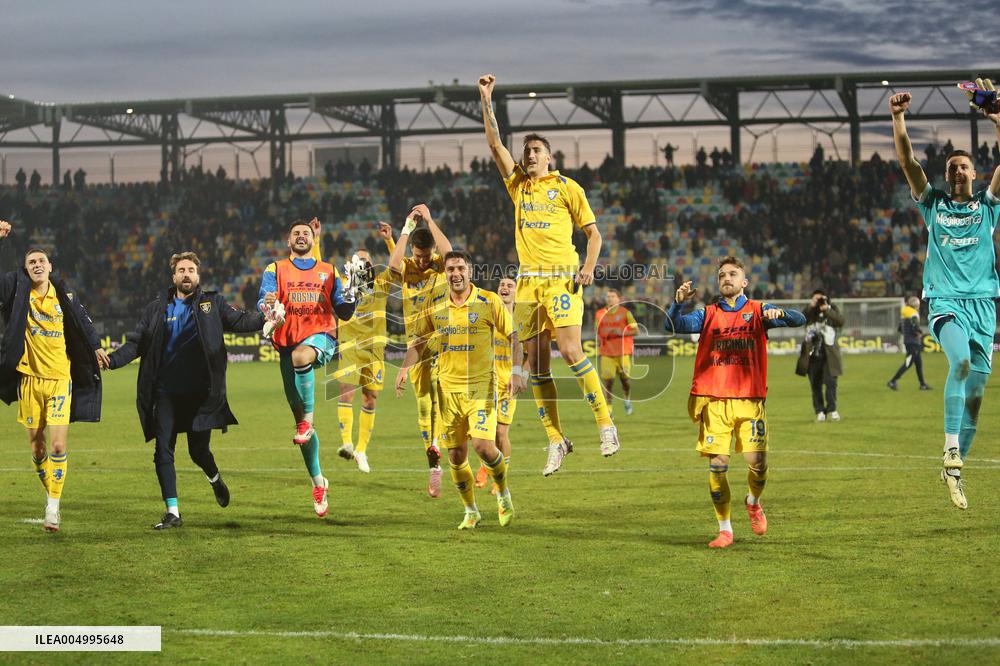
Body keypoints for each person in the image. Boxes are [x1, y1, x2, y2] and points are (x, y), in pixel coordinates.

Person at [479, 73, 618, 478]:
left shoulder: (568, 188)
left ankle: (606, 425)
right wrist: (486, 99)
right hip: (527, 283)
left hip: (561, 277)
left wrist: (589, 267)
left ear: (550, 157)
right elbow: (494, 143)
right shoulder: (518, 186)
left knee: (572, 352)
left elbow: (594, 235)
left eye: (537, 150)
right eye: (527, 150)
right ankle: (556, 439)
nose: (530, 155)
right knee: (538, 366)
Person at [890, 80, 1000, 509]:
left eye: (964, 167)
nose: (956, 171)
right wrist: (898, 118)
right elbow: (907, 161)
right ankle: (949, 448)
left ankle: (954, 469)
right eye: (951, 166)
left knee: (975, 398)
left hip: (984, 306)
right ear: (946, 175)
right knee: (961, 361)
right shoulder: (933, 203)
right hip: (947, 302)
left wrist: (996, 119)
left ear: (976, 174)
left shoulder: (988, 206)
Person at [106, 252, 265, 529]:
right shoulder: (156, 309)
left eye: (191, 269)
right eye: (181, 270)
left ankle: (214, 478)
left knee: (198, 452)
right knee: (163, 449)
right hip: (165, 392)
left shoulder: (212, 304)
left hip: (201, 394)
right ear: (174, 277)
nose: (187, 274)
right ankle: (173, 512)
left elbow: (241, 322)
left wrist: (266, 317)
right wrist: (112, 360)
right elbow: (136, 343)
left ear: (198, 275)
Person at [667, 256, 805, 548]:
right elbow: (674, 325)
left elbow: (800, 319)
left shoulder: (758, 310)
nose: (726, 278)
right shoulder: (707, 314)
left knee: (759, 464)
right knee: (718, 465)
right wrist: (678, 302)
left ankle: (753, 502)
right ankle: (725, 529)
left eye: (732, 274)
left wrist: (779, 314)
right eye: (721, 275)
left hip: (750, 401)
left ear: (744, 282)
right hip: (715, 401)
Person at [395, 251, 523, 529]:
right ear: (446, 274)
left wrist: (516, 370)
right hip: (448, 389)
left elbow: (514, 337)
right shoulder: (435, 303)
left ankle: (502, 492)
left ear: (470, 271)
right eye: (451, 268)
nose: (455, 273)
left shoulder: (489, 301)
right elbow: (419, 340)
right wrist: (405, 367)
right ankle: (471, 510)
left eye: (460, 268)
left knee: (484, 447)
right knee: (455, 455)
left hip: (481, 386)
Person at [0, 221, 109, 532]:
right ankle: (50, 493)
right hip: (29, 380)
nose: (37, 265)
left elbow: (84, 320)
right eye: (31, 262)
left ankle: (53, 507)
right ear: (25, 270)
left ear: (50, 266)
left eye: (41, 261)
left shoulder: (64, 294)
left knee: (58, 448)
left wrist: (97, 346)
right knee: (38, 448)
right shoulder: (19, 292)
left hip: (61, 379)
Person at [259, 220, 358, 518]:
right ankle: (319, 482)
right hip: (286, 343)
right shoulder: (274, 269)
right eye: (296, 234)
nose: (301, 237)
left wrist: (354, 295)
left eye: (306, 233)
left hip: (321, 337)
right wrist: (267, 303)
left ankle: (308, 421)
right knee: (298, 416)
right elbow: (264, 299)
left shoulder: (329, 271)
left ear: (314, 239)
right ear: (288, 240)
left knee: (302, 358)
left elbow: (344, 311)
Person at [388, 204, 452, 496]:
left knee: (439, 391)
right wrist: (406, 228)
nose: (424, 261)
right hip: (415, 345)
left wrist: (429, 219)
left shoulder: (440, 265)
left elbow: (449, 252)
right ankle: (433, 461)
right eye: (419, 256)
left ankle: (437, 444)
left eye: (427, 256)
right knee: (423, 403)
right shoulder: (407, 269)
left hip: (440, 339)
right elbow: (392, 265)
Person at [335, 222, 396, 473]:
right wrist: (316, 241)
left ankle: (361, 450)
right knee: (345, 393)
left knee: (370, 399)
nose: (364, 264)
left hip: (374, 351)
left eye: (367, 261)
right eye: (359, 260)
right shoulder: (342, 284)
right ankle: (347, 444)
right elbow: (319, 275)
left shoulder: (381, 284)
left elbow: (398, 267)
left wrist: (389, 240)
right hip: (350, 346)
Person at [475, 276, 528, 492]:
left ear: (516, 292)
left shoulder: (522, 319)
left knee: (500, 433)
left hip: (507, 382)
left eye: (509, 285)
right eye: (501, 285)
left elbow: (530, 353)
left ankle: (500, 477)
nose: (504, 288)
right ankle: (485, 467)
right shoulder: (489, 312)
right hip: (486, 381)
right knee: (482, 432)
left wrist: (521, 375)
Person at [796, 289, 845, 422]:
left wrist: (827, 308)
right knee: (815, 385)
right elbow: (799, 320)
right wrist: (811, 305)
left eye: (821, 299)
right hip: (812, 355)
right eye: (816, 299)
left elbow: (840, 321)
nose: (819, 302)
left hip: (829, 355)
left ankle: (832, 410)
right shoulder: (809, 312)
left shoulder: (831, 309)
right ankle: (819, 411)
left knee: (831, 383)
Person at [595, 288, 639, 416]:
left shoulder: (625, 313)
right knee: (608, 383)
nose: (609, 298)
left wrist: (621, 333)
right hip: (607, 353)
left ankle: (627, 399)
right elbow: (597, 331)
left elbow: (636, 331)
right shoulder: (599, 314)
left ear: (619, 298)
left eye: (613, 296)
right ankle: (609, 410)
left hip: (623, 353)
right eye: (608, 296)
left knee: (625, 380)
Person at [887, 296, 932, 391]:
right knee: (908, 363)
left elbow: (900, 328)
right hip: (913, 343)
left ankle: (922, 384)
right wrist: (920, 332)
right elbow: (915, 327)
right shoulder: (913, 314)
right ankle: (893, 381)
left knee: (918, 363)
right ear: (916, 305)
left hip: (908, 341)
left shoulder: (905, 313)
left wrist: (907, 334)